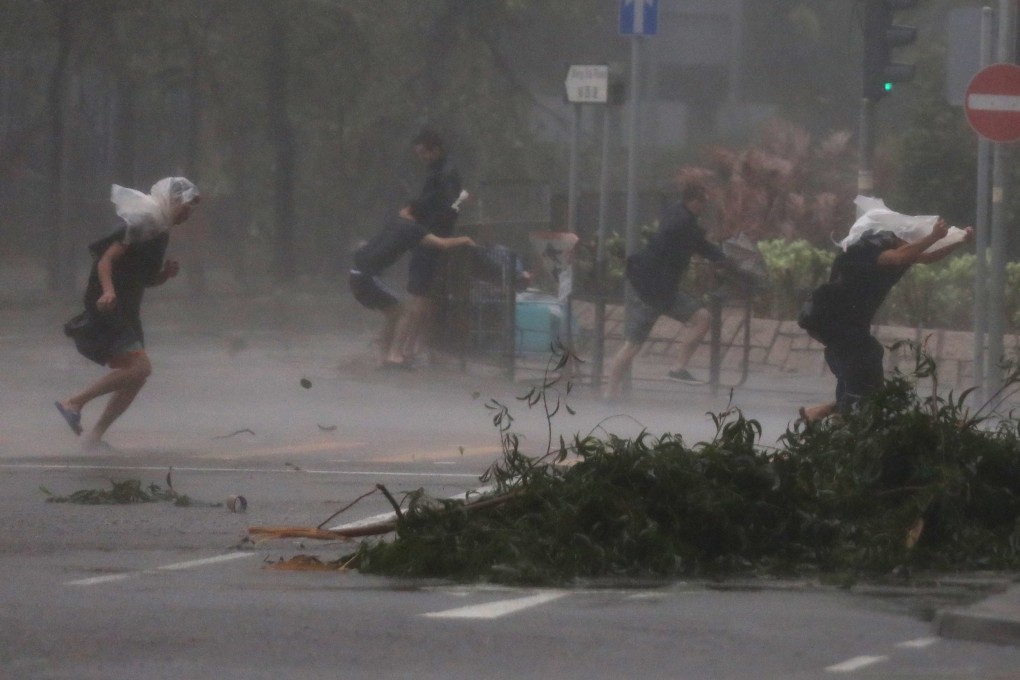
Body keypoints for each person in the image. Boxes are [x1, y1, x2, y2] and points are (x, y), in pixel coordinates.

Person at [55, 177, 201, 449]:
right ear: (172, 200)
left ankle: (94, 436)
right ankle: (73, 402)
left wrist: (164, 276)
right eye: (186, 206)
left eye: (191, 209)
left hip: (127, 307)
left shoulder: (160, 230)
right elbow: (106, 260)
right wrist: (108, 291)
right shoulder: (144, 220)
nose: (188, 213)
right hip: (109, 303)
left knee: (137, 375)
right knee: (141, 367)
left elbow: (145, 278)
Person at [797, 200, 974, 422]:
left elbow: (926, 257)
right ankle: (843, 415)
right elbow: (899, 256)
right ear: (895, 235)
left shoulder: (900, 249)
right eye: (909, 239)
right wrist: (932, 237)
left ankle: (829, 411)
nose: (913, 245)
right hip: (832, 318)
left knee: (865, 361)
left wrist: (959, 241)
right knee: (864, 359)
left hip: (849, 323)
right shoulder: (866, 247)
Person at [604, 183, 739, 400]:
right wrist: (723, 259)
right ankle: (674, 369)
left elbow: (698, 245)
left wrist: (720, 257)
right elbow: (698, 244)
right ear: (694, 201)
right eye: (704, 201)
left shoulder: (677, 213)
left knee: (636, 343)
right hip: (657, 290)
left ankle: (614, 391)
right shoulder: (683, 223)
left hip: (656, 287)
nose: (705, 206)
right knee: (636, 343)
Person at [349, 203, 475, 368]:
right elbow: (442, 244)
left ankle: (384, 357)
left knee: (394, 313)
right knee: (404, 311)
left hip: (356, 275)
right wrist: (465, 239)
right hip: (366, 277)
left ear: (408, 211)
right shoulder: (414, 229)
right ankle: (393, 356)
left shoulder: (398, 222)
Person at [400, 127, 464, 363]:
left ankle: (405, 350)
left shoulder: (445, 174)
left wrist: (415, 210)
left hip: (430, 238)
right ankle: (419, 349)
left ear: (436, 149)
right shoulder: (442, 171)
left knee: (419, 297)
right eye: (418, 154)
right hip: (433, 236)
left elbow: (443, 205)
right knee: (424, 297)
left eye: (424, 153)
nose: (422, 158)